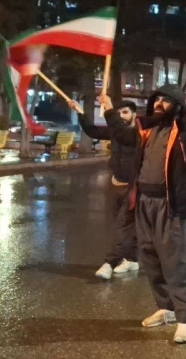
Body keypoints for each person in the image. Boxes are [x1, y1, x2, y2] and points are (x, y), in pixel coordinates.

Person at [103, 86, 186, 344]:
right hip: (144, 203)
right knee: (150, 258)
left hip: (173, 206)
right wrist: (109, 111)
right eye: (157, 99)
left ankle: (184, 320)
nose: (159, 103)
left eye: (166, 100)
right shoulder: (146, 128)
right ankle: (166, 308)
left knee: (179, 262)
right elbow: (122, 135)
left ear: (178, 105)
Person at [68, 98, 139, 279]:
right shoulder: (116, 132)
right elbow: (92, 130)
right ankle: (132, 259)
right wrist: (79, 111)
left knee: (123, 226)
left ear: (134, 115)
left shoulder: (139, 133)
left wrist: (110, 109)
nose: (121, 116)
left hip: (134, 188)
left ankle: (110, 263)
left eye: (125, 112)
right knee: (125, 227)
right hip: (117, 184)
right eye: (119, 113)